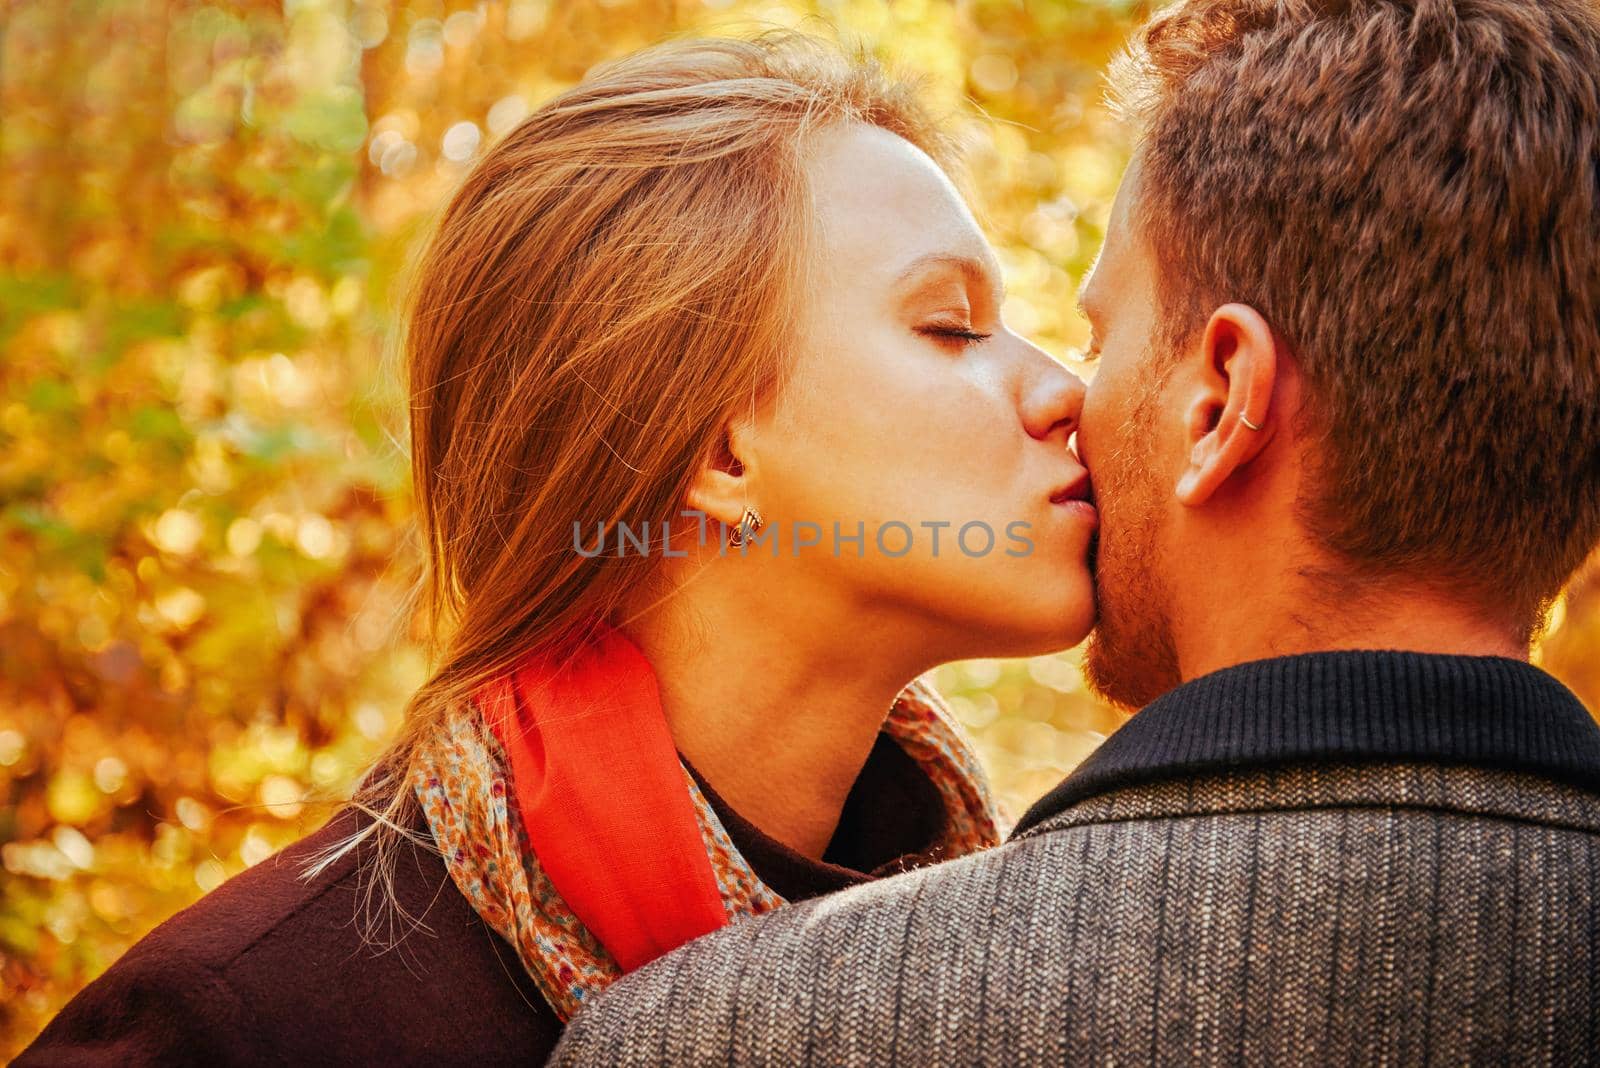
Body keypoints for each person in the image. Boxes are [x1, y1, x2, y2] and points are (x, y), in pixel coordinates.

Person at [548, 0, 1600, 1063]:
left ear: (1220, 398)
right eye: (952, 329)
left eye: (1101, 343)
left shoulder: (728, 1039)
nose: (1063, 392)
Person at [17, 34, 1099, 1066]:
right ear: (715, 450)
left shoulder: (994, 966)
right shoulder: (244, 1028)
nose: (1061, 390)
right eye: (951, 326)